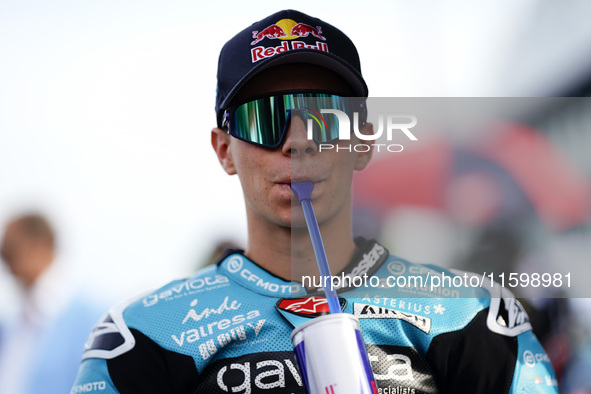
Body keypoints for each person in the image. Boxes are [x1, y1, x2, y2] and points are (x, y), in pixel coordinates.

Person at [72, 10, 558, 393]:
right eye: (265, 119)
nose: (298, 142)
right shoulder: (144, 333)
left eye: (325, 117)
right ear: (225, 151)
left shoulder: (469, 312)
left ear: (364, 142)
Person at [0, 213, 104, 394]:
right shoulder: (16, 322)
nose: (5, 259)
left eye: (10, 249)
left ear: (40, 246)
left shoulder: (94, 316)